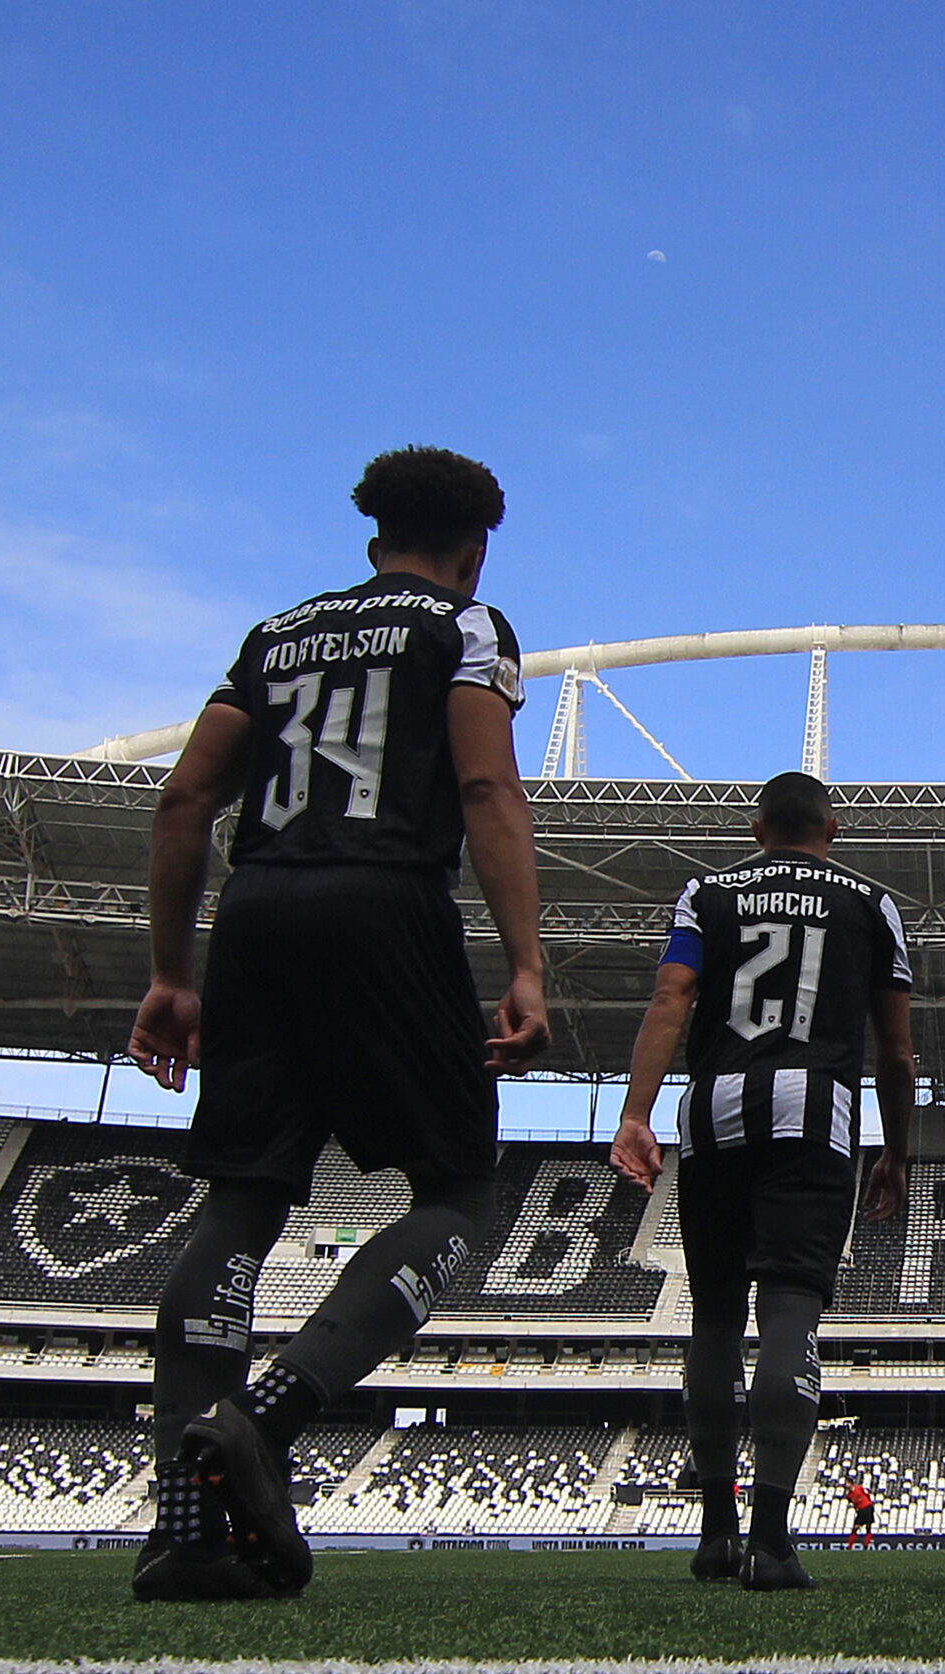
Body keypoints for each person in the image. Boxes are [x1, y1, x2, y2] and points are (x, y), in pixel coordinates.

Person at [124, 445, 548, 1601]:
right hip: (386, 908)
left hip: (255, 915)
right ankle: (268, 1415)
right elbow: (483, 789)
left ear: (371, 536)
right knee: (458, 1189)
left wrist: (172, 973)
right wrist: (525, 964)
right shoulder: (465, 626)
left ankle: (185, 1525)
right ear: (471, 552)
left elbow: (181, 802)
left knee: (245, 1199)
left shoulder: (273, 637)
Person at [611, 771, 915, 1590]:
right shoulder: (871, 904)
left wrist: (635, 1113)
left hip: (713, 1108)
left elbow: (672, 997)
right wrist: (898, 1150)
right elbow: (894, 1050)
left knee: (713, 1315)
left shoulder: (704, 894)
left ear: (756, 828)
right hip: (816, 1111)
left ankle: (714, 1533)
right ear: (834, 827)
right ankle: (771, 1542)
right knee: (788, 1306)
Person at [844, 1475, 877, 1547]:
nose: (845, 1485)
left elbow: (867, 1494)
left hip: (867, 1507)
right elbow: (854, 1503)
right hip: (861, 1510)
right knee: (855, 1527)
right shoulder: (849, 1495)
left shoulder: (859, 1488)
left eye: (846, 1483)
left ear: (850, 1483)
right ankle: (850, 1545)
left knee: (868, 1526)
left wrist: (869, 1503)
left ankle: (867, 1543)